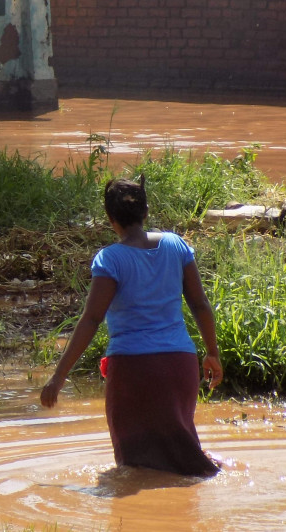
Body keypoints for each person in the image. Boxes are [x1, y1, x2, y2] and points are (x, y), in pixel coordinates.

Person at [39, 176, 222, 477]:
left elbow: (91, 319)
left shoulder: (110, 259)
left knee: (134, 467)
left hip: (134, 371)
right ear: (146, 211)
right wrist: (212, 353)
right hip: (180, 366)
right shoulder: (176, 245)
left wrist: (58, 377)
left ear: (111, 219)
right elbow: (200, 304)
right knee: (183, 458)